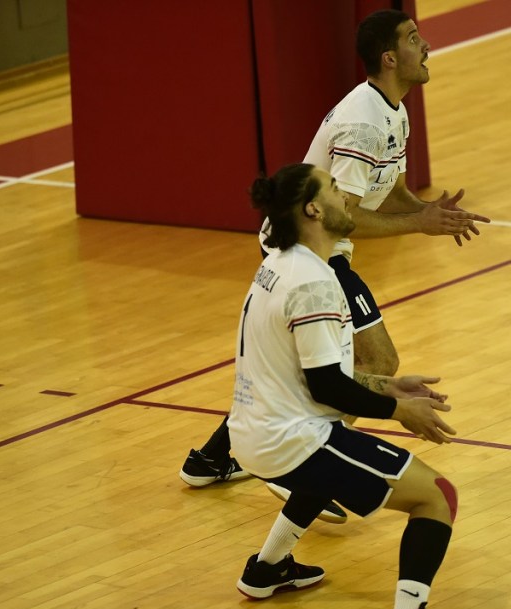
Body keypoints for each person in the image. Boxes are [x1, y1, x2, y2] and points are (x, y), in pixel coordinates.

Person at [178, 9, 491, 524]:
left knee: (310, 371)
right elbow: (342, 216)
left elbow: (388, 191)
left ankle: (213, 457)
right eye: (414, 38)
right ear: (389, 58)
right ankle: (297, 468)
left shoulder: (393, 110)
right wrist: (419, 224)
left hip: (325, 251)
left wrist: (426, 212)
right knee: (376, 361)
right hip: (306, 251)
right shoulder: (361, 124)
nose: (426, 45)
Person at [231, 162, 483, 609]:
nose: (347, 196)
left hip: (256, 430)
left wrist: (387, 384)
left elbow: (317, 375)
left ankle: (267, 568)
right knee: (437, 496)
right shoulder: (314, 283)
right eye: (333, 189)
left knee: (334, 462)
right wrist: (398, 410)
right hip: (290, 438)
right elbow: (327, 388)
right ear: (313, 209)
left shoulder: (281, 262)